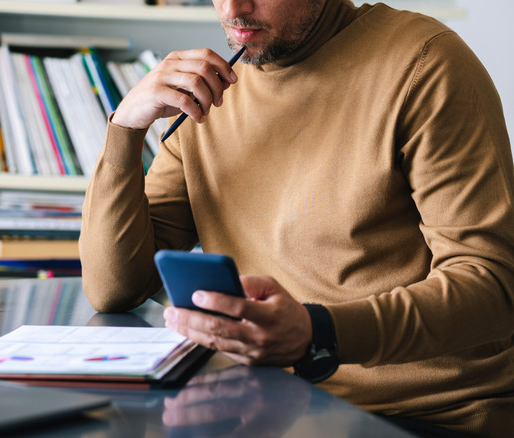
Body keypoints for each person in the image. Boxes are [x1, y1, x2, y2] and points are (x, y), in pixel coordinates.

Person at [79, 0, 514, 436]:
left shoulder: (425, 64)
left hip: (423, 416)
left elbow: (492, 284)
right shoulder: (205, 97)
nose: (234, 8)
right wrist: (125, 129)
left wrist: (318, 331)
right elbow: (113, 289)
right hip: (268, 409)